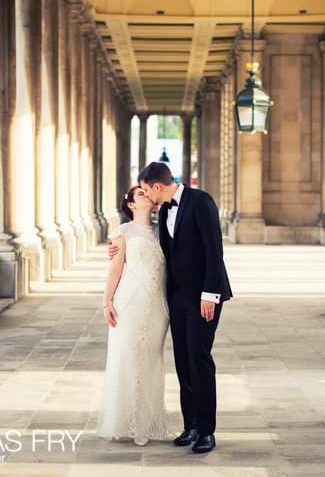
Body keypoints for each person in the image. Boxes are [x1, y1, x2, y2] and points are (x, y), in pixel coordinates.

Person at [109, 162, 233, 453]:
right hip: (176, 298)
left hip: (204, 297)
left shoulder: (201, 202)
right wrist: (117, 248)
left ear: (156, 187)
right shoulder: (163, 211)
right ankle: (190, 425)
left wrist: (210, 294)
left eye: (146, 189)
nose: (147, 197)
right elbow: (158, 251)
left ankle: (206, 431)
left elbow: (214, 251)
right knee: (183, 362)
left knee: (199, 359)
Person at [96, 185, 170, 447]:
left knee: (151, 359)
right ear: (130, 205)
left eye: (146, 192)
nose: (146, 195)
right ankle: (122, 420)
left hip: (158, 305)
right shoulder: (122, 232)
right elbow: (115, 270)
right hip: (129, 301)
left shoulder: (164, 230)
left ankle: (146, 422)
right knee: (126, 355)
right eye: (139, 194)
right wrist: (106, 302)